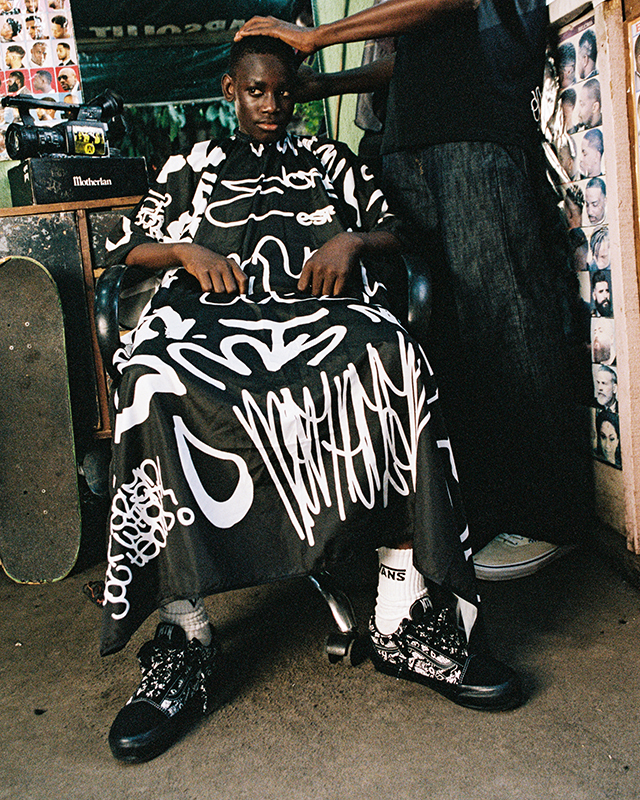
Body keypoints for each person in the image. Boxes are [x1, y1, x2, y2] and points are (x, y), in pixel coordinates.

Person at [101, 35, 521, 764]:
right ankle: (184, 637)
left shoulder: (330, 161)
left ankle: (400, 618)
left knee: (394, 357)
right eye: (256, 91)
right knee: (150, 379)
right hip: (210, 320)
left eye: (284, 91)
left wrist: (351, 243)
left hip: (323, 314)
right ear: (230, 91)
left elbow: (396, 228)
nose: (272, 104)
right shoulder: (191, 165)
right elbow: (127, 247)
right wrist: (185, 252)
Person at [236, 0, 593, 581]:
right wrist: (326, 84)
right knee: (446, 333)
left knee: (505, 313)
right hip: (411, 143)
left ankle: (549, 517)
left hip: (473, 129)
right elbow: (417, 57)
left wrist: (318, 36)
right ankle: (488, 509)